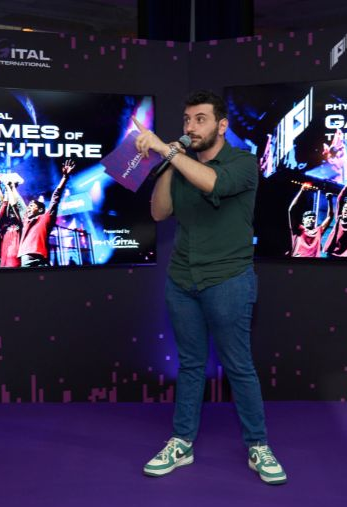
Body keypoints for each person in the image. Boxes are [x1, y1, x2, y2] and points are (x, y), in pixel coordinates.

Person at [133, 90, 286, 485]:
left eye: (200, 119)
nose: (191, 127)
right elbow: (159, 212)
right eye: (187, 120)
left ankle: (258, 445)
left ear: (222, 125)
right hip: (182, 279)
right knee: (190, 364)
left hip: (229, 279)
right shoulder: (181, 161)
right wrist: (168, 162)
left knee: (239, 366)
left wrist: (169, 152)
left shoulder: (243, 162)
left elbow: (213, 183)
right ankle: (181, 442)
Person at [16, 160, 75, 267]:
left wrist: (65, 178)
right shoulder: (26, 220)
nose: (28, 208)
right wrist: (10, 187)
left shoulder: (46, 217)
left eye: (32, 206)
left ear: (40, 210)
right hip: (26, 256)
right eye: (29, 206)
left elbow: (56, 197)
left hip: (42, 257)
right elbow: (18, 203)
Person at [288, 184, 333, 258]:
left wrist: (330, 200)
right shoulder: (298, 229)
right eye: (308, 217)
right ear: (303, 220)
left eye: (313, 218)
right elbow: (291, 210)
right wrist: (301, 191)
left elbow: (330, 217)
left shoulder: (318, 231)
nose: (311, 220)